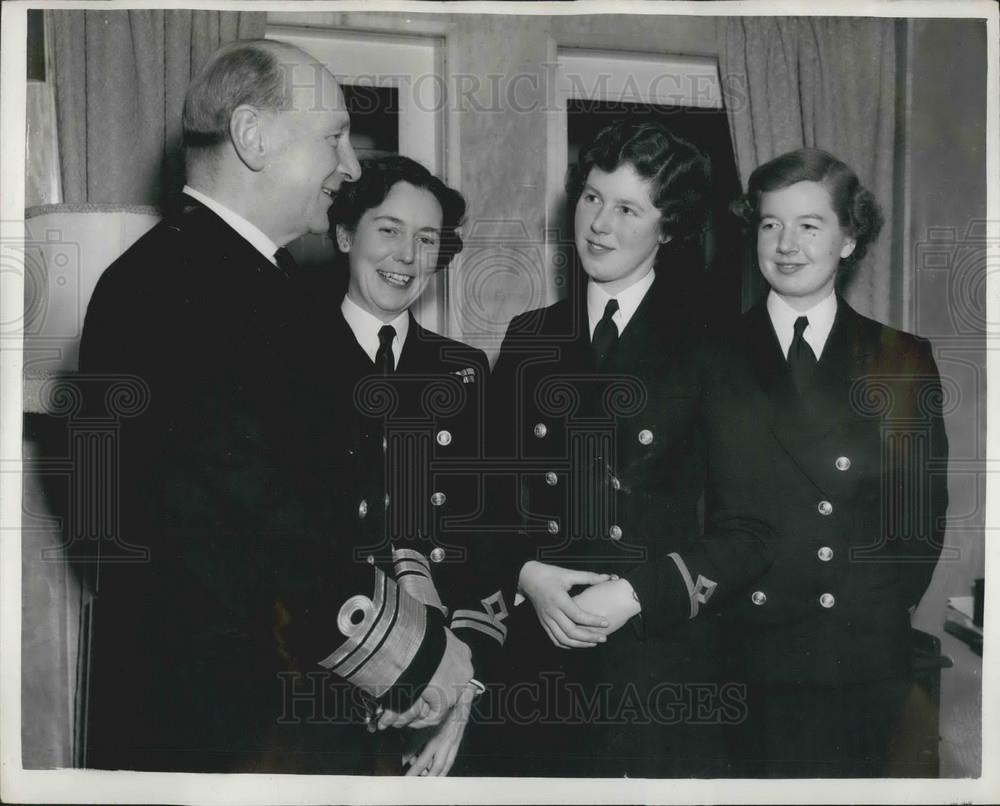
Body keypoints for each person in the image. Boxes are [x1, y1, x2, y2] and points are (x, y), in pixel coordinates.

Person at [79, 40, 473, 773]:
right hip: (225, 729)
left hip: (250, 710)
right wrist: (419, 659)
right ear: (253, 137)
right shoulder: (190, 290)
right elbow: (260, 526)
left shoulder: (223, 279)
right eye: (332, 137)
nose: (351, 167)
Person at [486, 120, 772, 777]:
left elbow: (751, 531)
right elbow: (488, 500)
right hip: (539, 657)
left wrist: (638, 593)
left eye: (627, 209)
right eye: (591, 198)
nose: (599, 225)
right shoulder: (532, 338)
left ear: (668, 229)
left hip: (657, 667)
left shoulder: (718, 346)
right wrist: (526, 573)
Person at [705, 148, 949, 776]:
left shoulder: (901, 359)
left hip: (859, 663)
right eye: (770, 223)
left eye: (809, 225)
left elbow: (919, 519)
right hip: (742, 662)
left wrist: (872, 614)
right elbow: (690, 508)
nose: (786, 244)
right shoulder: (709, 356)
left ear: (848, 238)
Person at [296, 154, 509, 776]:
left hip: (444, 680)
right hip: (322, 678)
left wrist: (457, 686)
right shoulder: (289, 359)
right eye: (388, 230)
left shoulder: (464, 370)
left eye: (426, 240)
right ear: (343, 235)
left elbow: (488, 537)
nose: (408, 257)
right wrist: (395, 669)